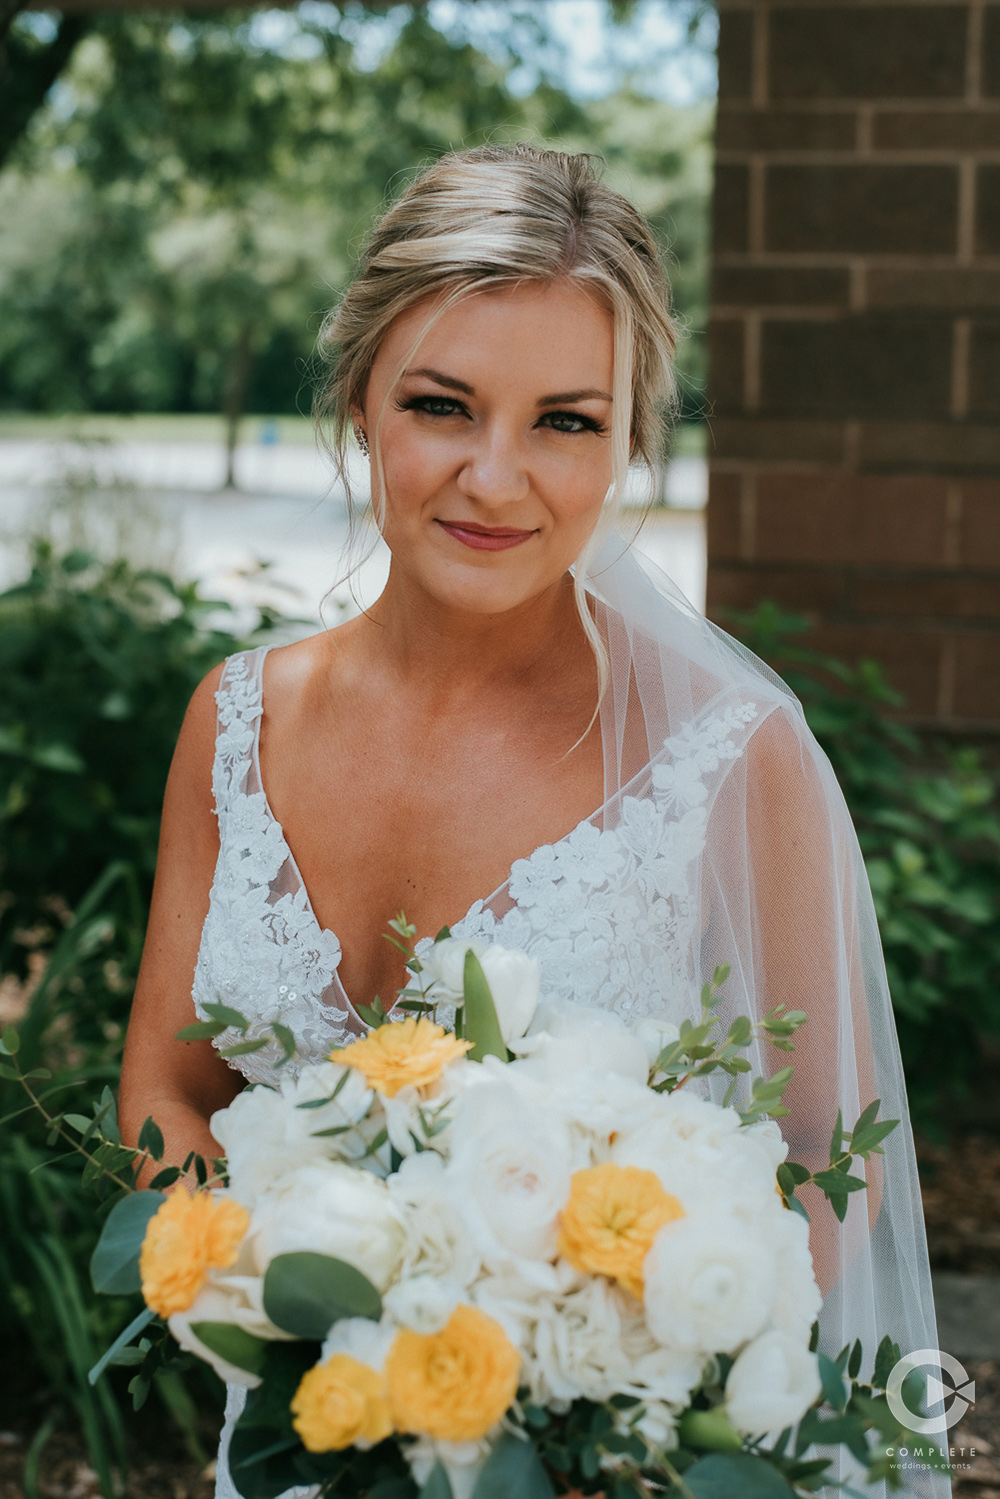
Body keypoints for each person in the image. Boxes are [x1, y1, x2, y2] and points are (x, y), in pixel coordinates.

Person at [118, 145, 947, 1499]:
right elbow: (171, 1089)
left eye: (567, 421)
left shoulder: (731, 759)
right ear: (361, 402)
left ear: (628, 437)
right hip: (300, 1446)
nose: (497, 480)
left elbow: (816, 1152)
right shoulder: (237, 719)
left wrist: (603, 1395)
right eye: (443, 405)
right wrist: (281, 1313)